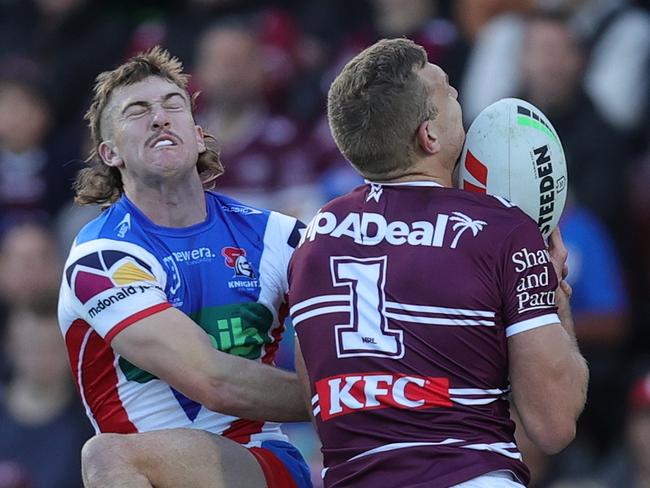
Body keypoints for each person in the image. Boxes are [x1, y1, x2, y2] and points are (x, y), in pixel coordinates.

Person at [288, 38, 588, 487]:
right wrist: (553, 292)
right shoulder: (502, 230)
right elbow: (553, 424)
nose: (459, 98)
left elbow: (316, 395)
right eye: (447, 90)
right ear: (429, 136)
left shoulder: (315, 235)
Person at [57, 47, 312, 488]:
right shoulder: (100, 257)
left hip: (259, 465)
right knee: (109, 456)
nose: (159, 118)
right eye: (138, 111)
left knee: (108, 456)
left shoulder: (279, 236)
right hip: (153, 473)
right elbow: (213, 381)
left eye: (173, 105)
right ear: (110, 152)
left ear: (197, 135)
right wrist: (334, 401)